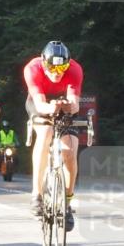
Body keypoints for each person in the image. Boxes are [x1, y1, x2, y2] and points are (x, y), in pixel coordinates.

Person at [23, 40, 84, 231]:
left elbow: (75, 104)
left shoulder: (74, 69)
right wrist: (51, 107)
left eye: (62, 67)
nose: (57, 73)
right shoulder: (33, 68)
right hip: (40, 102)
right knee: (46, 132)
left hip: (64, 104)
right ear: (44, 62)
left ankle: (67, 201)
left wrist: (68, 105)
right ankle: (37, 194)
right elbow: (40, 105)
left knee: (69, 152)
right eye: (52, 68)